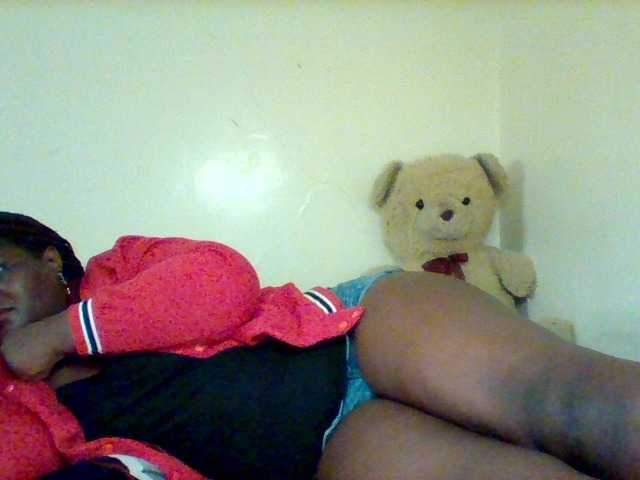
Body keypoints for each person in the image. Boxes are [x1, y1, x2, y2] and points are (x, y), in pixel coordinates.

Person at [0, 212, 638, 480]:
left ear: (49, 258)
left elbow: (222, 281)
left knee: (575, 404)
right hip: (332, 448)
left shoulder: (119, 268)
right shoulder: (14, 399)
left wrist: (55, 335)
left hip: (360, 333)